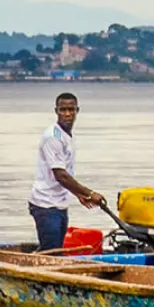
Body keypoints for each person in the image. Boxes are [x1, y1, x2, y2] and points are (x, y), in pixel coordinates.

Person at [28, 92, 104, 251]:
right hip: (46, 205)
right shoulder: (53, 137)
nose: (67, 114)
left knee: (54, 249)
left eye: (71, 109)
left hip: (60, 204)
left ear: (77, 111)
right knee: (52, 252)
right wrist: (89, 193)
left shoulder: (67, 136)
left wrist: (79, 194)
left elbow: (66, 172)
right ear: (56, 111)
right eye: (63, 110)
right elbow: (60, 175)